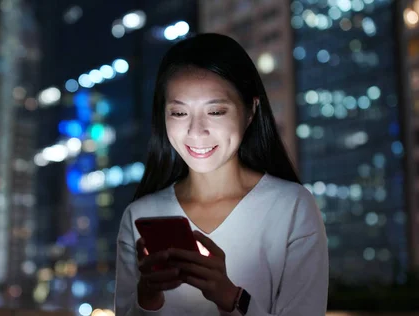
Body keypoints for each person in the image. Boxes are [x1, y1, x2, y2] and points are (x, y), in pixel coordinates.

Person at [114, 33, 328, 316]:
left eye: (215, 111)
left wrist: (230, 296)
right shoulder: (140, 215)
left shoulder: (291, 208)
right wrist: (148, 296)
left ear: (250, 111)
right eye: (179, 113)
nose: (196, 131)